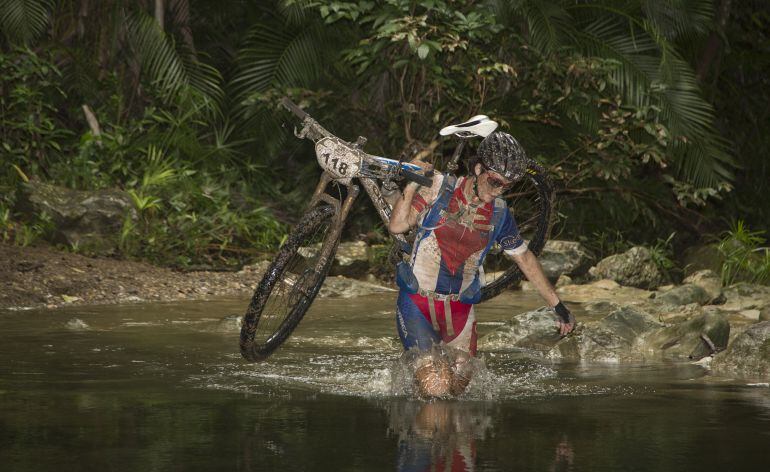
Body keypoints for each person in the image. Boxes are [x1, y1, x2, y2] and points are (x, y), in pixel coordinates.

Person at [388, 131, 576, 398]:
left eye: (507, 187)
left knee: (457, 393)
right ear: (478, 169)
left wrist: (558, 306)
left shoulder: (500, 213)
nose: (498, 191)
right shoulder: (439, 186)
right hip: (417, 304)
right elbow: (397, 225)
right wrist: (412, 183)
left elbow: (524, 258)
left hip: (461, 311)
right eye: (495, 182)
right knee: (436, 389)